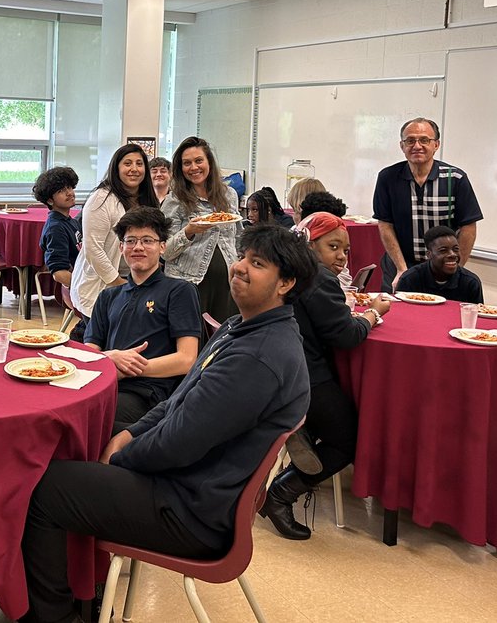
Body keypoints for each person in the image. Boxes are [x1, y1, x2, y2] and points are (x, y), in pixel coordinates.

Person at [20, 225, 316, 623]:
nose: (239, 268)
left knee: (42, 488)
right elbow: (179, 401)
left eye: (257, 264)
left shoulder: (259, 357)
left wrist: (119, 459)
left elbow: (179, 442)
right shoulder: (238, 328)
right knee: (82, 443)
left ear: (286, 283)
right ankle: (85, 588)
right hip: (192, 481)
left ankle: (56, 616)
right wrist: (126, 434)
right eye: (243, 257)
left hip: (193, 510)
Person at [260, 213, 390, 541]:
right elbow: (346, 336)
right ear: (310, 244)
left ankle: (301, 430)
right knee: (350, 438)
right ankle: (280, 494)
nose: (342, 257)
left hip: (272, 369)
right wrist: (374, 313)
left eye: (346, 251)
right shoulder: (318, 278)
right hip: (302, 377)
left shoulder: (287, 268)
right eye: (333, 247)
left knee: (337, 419)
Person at [83, 207, 201, 434]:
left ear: (162, 246)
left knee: (86, 417)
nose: (138, 247)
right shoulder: (108, 296)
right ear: (121, 247)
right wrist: (112, 357)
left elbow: (187, 359)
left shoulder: (179, 291)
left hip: (146, 394)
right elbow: (90, 352)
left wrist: (128, 368)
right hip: (102, 384)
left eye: (148, 240)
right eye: (131, 241)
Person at [373, 117, 482, 290]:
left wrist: (455, 269)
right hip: (399, 263)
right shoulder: (388, 178)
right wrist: (402, 269)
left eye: (424, 140)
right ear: (402, 146)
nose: (417, 146)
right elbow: (385, 225)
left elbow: (468, 227)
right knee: (395, 313)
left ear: (436, 145)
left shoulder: (455, 179)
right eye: (410, 140)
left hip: (441, 268)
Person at [70, 144, 159, 317]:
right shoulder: (102, 199)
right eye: (127, 163)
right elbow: (93, 249)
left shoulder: (147, 198)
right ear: (116, 168)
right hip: (103, 284)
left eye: (139, 164)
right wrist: (118, 283)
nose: (134, 169)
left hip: (137, 279)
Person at [162, 136, 241, 323]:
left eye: (199, 161)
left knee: (222, 340)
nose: (194, 167)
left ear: (209, 163)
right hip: (190, 285)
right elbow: (165, 252)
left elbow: (237, 237)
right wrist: (189, 231)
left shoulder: (229, 195)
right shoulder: (174, 200)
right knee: (195, 342)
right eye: (187, 163)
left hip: (227, 284)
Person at [395, 225, 484, 303]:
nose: (452, 254)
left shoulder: (470, 282)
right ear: (429, 255)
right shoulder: (409, 279)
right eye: (443, 251)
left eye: (455, 249)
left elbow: (478, 317)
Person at [33, 165, 81, 290]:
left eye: (70, 187)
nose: (69, 193)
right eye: (61, 191)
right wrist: (86, 289)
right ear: (49, 200)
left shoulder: (70, 221)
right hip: (79, 289)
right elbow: (59, 273)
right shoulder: (55, 228)